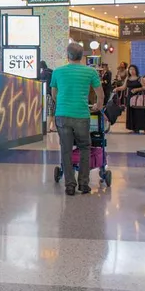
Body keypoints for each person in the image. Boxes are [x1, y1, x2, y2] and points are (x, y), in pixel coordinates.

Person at [50, 43, 104, 196]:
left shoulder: (58, 72)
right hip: (81, 115)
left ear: (67, 55)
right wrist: (97, 106)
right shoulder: (90, 72)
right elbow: (100, 94)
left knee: (66, 150)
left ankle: (69, 186)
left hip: (62, 115)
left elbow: (54, 95)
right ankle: (83, 184)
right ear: (82, 56)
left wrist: (62, 104)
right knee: (84, 148)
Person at [115, 64, 145, 134]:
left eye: (133, 69)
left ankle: (144, 128)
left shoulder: (140, 78)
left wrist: (137, 89)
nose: (132, 71)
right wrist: (117, 89)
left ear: (136, 70)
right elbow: (124, 87)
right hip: (130, 97)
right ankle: (134, 128)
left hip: (138, 97)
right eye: (130, 69)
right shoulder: (127, 78)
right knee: (132, 113)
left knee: (140, 113)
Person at [39, 61, 55, 133]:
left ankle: (47, 128)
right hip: (53, 93)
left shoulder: (43, 73)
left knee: (49, 111)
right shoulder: (51, 71)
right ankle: (53, 127)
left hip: (47, 93)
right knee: (53, 111)